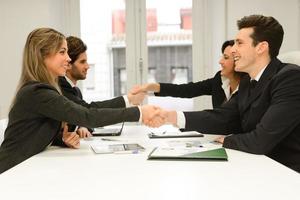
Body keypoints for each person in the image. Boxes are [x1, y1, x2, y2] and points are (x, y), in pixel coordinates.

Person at [0, 28, 163, 174]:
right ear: (43, 56)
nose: (68, 59)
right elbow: (87, 115)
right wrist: (139, 113)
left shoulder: (41, 90)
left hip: (24, 169)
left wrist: (61, 139)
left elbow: (33, 133)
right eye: (62, 52)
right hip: (10, 172)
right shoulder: (37, 92)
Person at [153, 15, 300, 172]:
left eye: (240, 43)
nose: (234, 49)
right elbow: (223, 118)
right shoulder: (247, 82)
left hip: (287, 174)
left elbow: (261, 140)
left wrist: (228, 140)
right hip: (258, 165)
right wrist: (170, 117)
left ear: (261, 47)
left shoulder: (290, 78)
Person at [58, 36, 145, 138]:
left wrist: (82, 127)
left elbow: (83, 117)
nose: (87, 66)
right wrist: (128, 100)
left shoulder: (76, 91)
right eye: (82, 62)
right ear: (68, 64)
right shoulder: (61, 87)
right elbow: (89, 111)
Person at [132, 40, 243, 108]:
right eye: (222, 56)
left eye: (226, 57)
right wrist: (154, 87)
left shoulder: (249, 87)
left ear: (238, 60)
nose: (220, 61)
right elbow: (188, 89)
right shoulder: (219, 79)